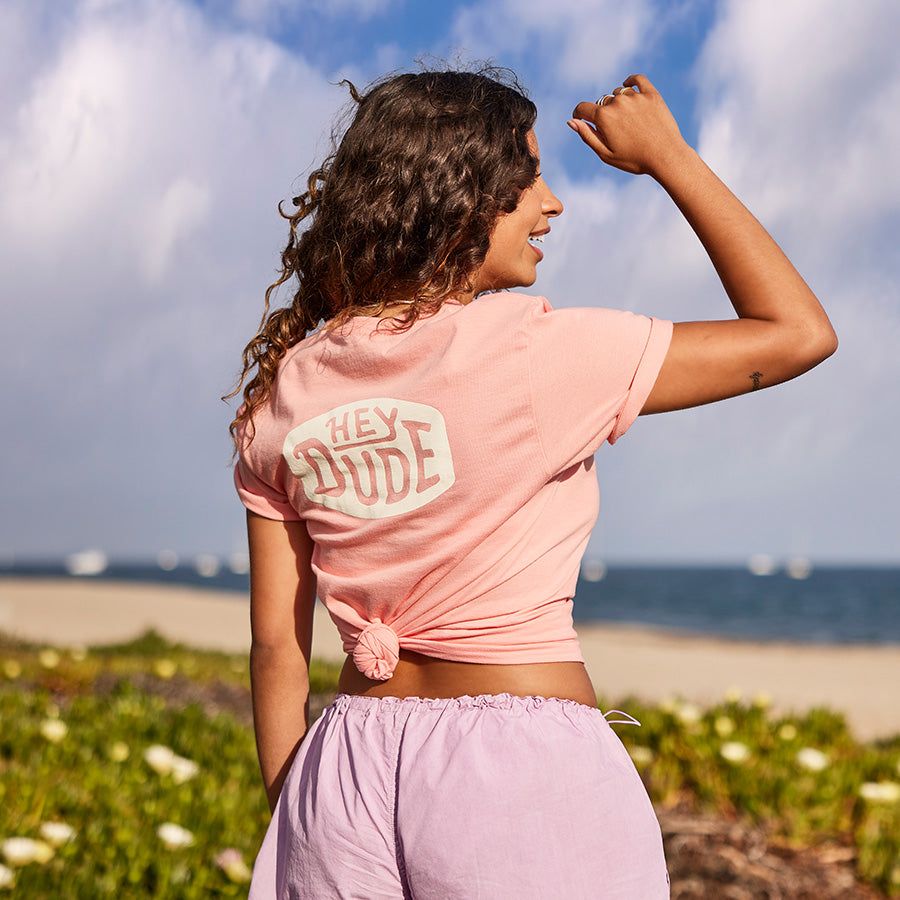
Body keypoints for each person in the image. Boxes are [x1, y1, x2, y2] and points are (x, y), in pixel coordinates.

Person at [223, 65, 837, 899]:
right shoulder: (533, 352)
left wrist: (302, 811)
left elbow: (275, 646)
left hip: (343, 769)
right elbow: (796, 333)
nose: (552, 203)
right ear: (460, 197)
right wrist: (670, 158)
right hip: (518, 779)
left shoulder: (287, 390)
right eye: (528, 178)